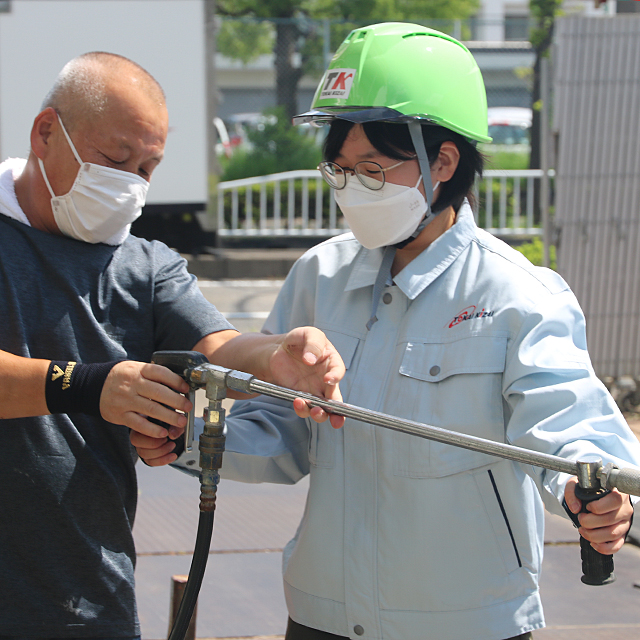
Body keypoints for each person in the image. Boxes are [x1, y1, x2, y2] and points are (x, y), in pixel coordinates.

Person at [134, 23, 640, 640]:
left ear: (442, 163)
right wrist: (189, 434)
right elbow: (281, 431)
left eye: (371, 171)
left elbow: (568, 423)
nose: (351, 190)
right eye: (340, 171)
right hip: (320, 616)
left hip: (465, 623)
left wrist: (597, 491)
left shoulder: (516, 294)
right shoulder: (318, 276)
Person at [0, 51, 346, 638]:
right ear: (45, 133)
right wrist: (91, 386)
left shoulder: (145, 265)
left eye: (148, 167)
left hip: (88, 597)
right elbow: (90, 386)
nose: (131, 183)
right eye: (115, 159)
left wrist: (276, 355)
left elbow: (218, 344)